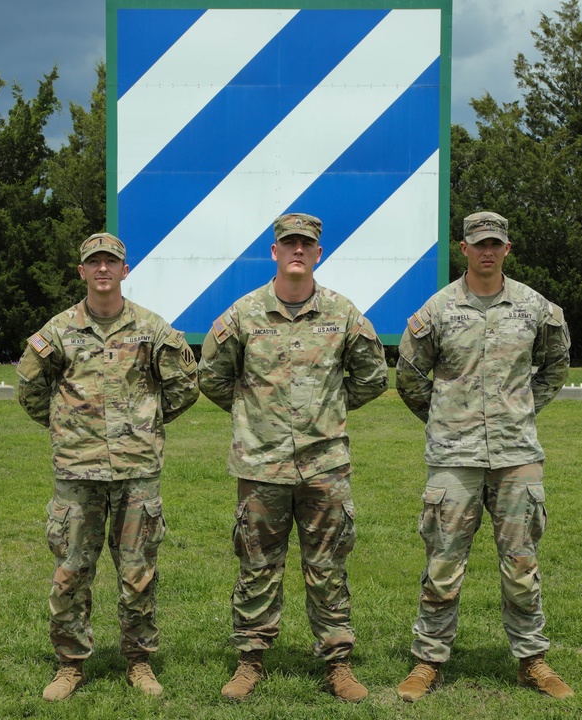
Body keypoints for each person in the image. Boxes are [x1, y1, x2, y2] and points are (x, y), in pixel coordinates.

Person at [197, 213, 388, 703]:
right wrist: (252, 417)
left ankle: (338, 664)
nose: (297, 250)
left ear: (318, 253)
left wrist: (328, 413)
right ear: (275, 252)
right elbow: (212, 377)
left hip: (324, 466)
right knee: (257, 566)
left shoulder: (342, 314)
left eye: (306, 244)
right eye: (289, 243)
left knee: (328, 568)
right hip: (261, 467)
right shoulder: (243, 314)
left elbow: (371, 377)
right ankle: (249, 661)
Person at [394, 211, 573, 702]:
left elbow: (556, 362)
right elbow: (410, 375)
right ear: (464, 249)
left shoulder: (535, 308)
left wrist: (524, 408)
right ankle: (428, 662)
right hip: (454, 459)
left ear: (507, 249)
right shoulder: (437, 310)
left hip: (517, 455)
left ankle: (532, 661)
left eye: (496, 243)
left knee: (521, 562)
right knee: (443, 563)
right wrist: (446, 419)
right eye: (479, 244)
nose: (488, 251)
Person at [16, 232, 199, 702]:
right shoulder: (58, 330)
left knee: (138, 571)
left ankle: (139, 661)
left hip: (137, 472)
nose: (102, 269)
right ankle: (70, 664)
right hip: (77, 474)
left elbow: (183, 386)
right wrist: (66, 427)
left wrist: (147, 425)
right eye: (93, 262)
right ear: (81, 271)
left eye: (110, 262)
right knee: (71, 570)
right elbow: (30, 389)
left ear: (124, 270)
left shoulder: (151, 329)